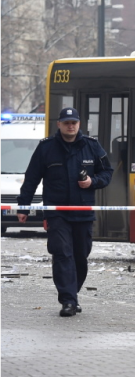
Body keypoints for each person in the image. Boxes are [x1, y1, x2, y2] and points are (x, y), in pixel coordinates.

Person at [17, 108, 114, 317]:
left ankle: (73, 295)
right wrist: (23, 206)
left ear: (79, 124)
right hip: (56, 212)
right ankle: (68, 300)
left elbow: (107, 172)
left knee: (80, 256)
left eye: (74, 122)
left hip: (83, 211)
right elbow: (32, 177)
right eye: (66, 122)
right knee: (62, 254)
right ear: (59, 125)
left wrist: (92, 182)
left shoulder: (92, 146)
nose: (70, 126)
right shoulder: (46, 148)